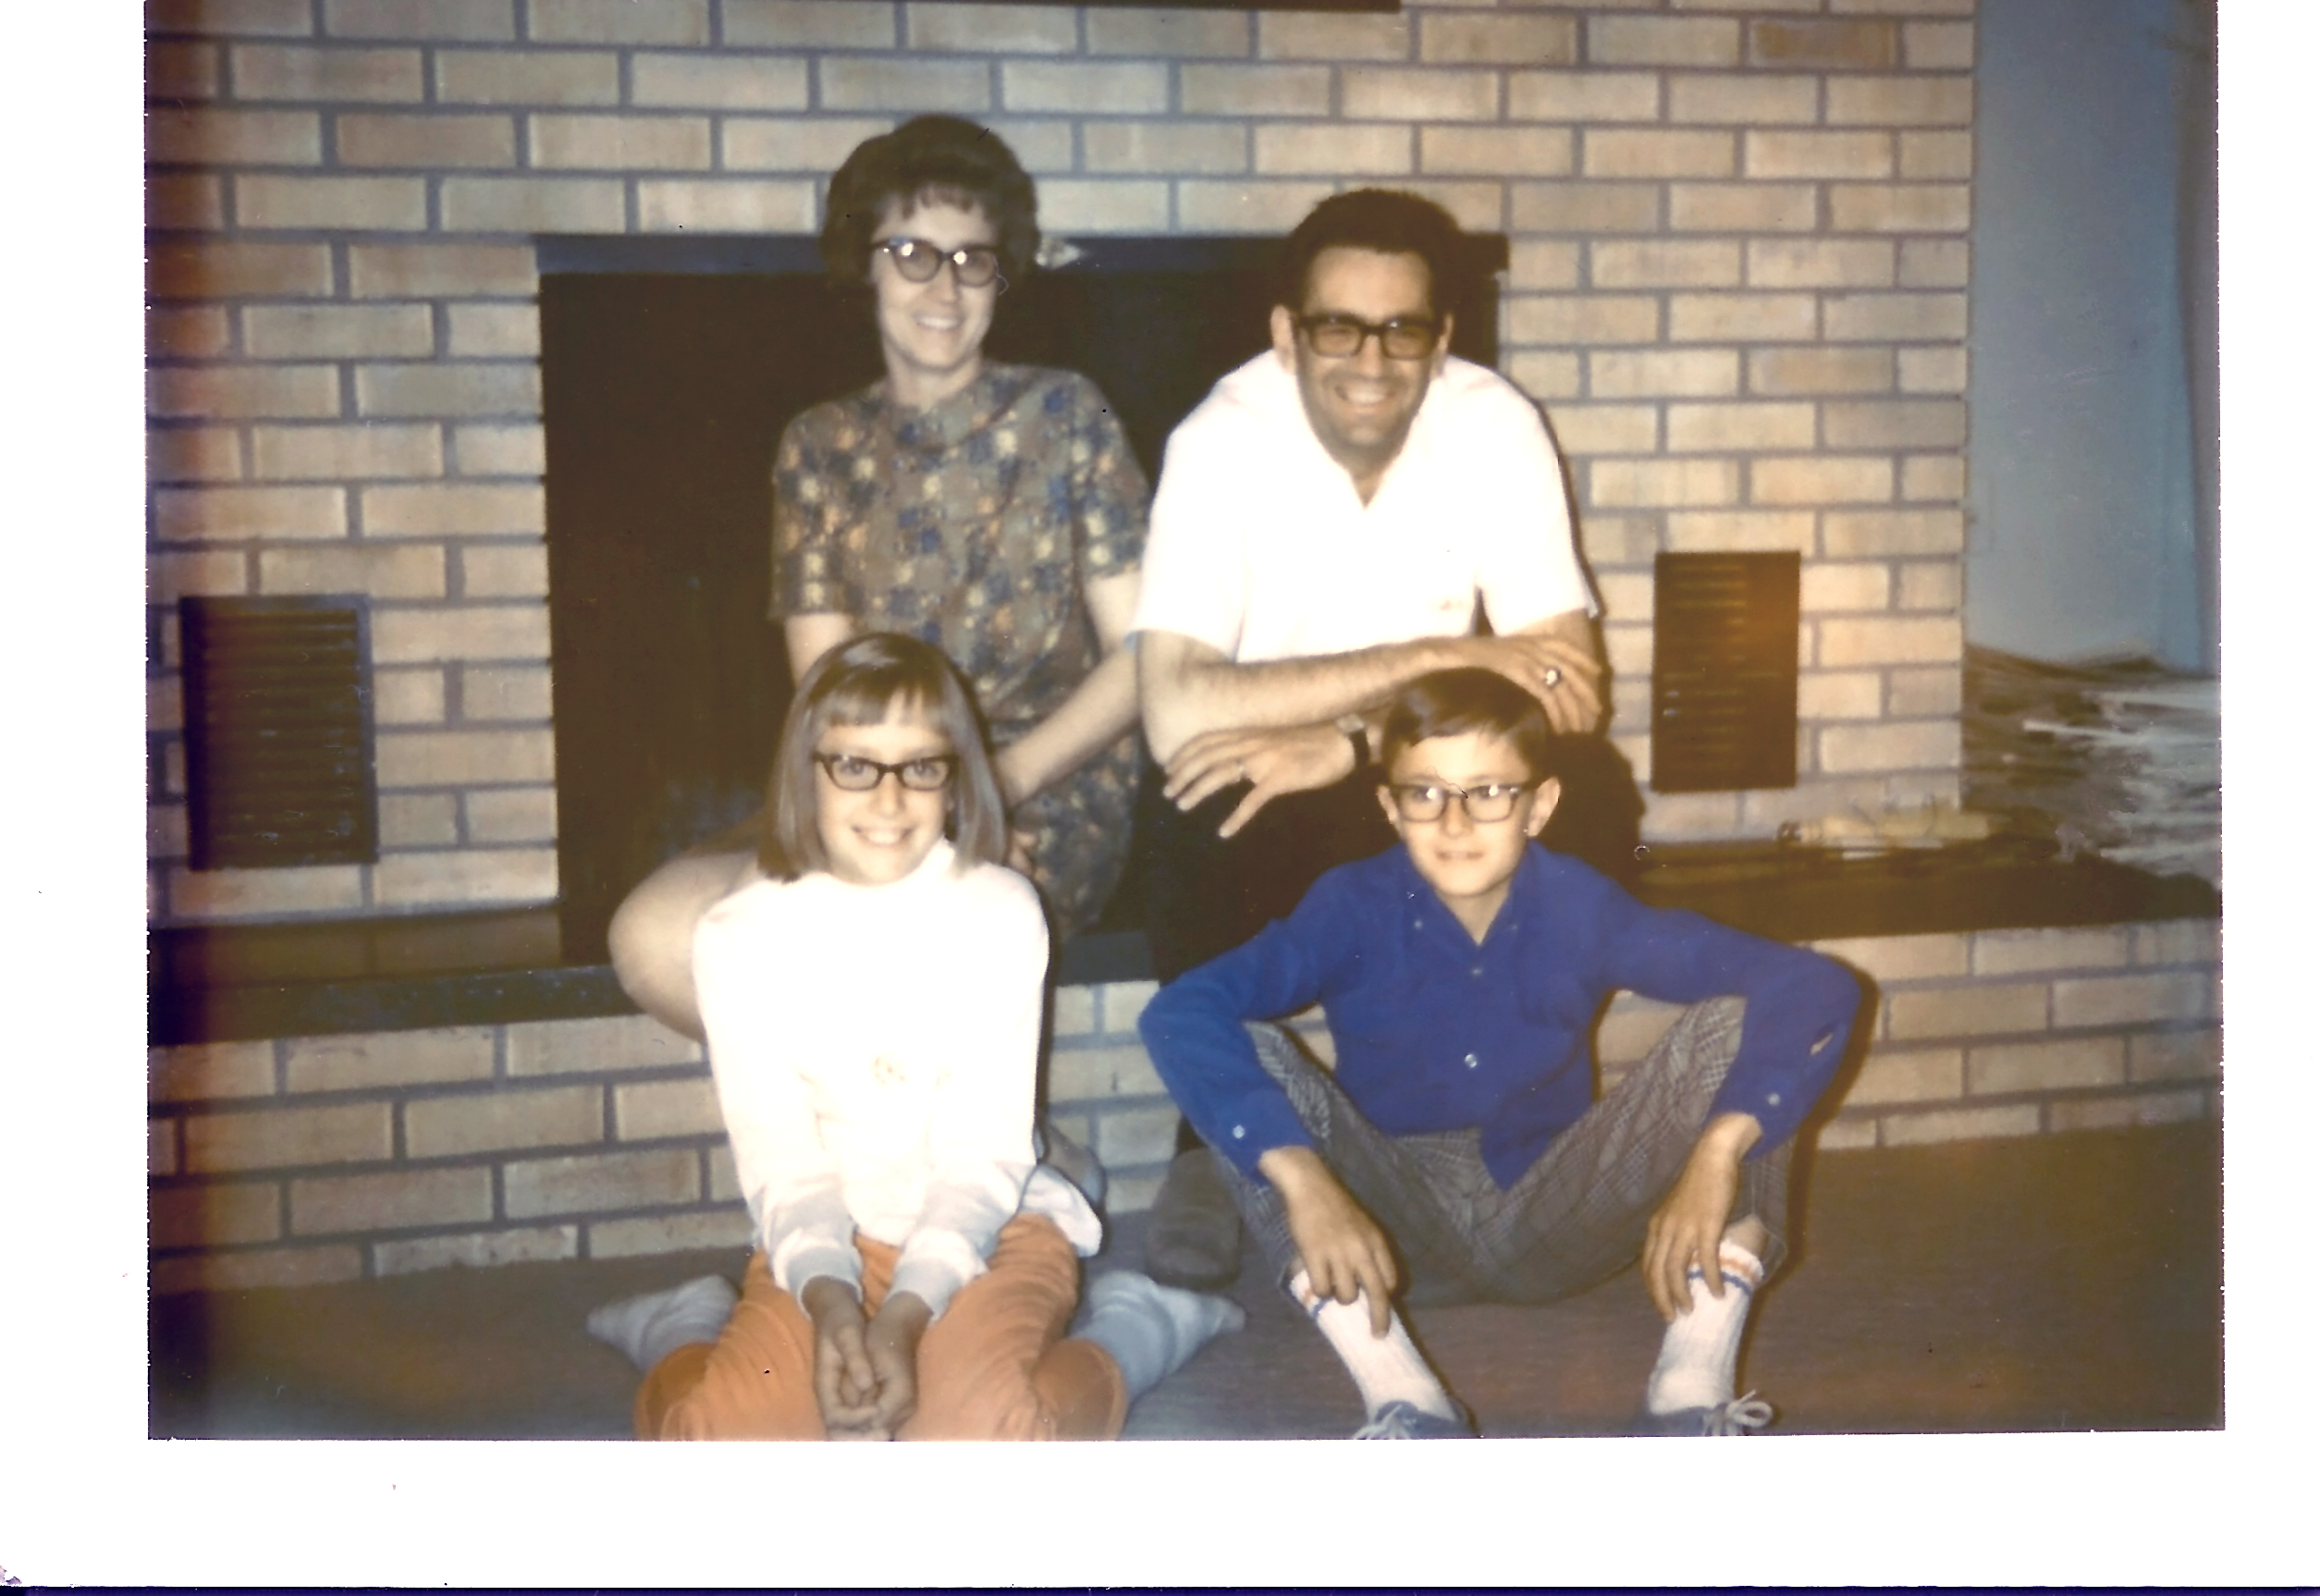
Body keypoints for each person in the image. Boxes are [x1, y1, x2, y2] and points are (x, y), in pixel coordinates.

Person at [1140, 669, 1862, 1437]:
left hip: (1556, 1210)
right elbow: (1181, 1009)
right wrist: (1301, 1175)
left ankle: (1690, 1385)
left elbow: (1813, 984)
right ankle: (1407, 1403)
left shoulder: (1581, 903)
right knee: (1246, 1055)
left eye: (1489, 793)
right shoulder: (1347, 905)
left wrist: (1719, 1149)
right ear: (1389, 807)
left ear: (1538, 806)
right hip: (1395, 1230)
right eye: (1425, 794)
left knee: (1744, 1027)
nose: (1455, 823)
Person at [1131, 187, 1611, 1287]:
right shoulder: (1218, 442)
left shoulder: (1491, 421)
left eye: (1402, 329)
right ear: (1286, 335)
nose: (1370, 359)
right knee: (1199, 792)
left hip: (1405, 761)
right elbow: (1176, 708)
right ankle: (1213, 1138)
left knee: (1592, 793)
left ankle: (1501, 1122)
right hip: (1283, 770)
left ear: (1440, 342)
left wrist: (1348, 742)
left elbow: (1570, 688)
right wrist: (1428, 661)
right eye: (1337, 326)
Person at [586, 634, 1240, 1441]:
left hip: (993, 1231)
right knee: (724, 1439)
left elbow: (981, 1156)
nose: (889, 802)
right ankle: (679, 1330)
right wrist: (831, 1303)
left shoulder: (998, 909)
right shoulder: (737, 935)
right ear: (805, 771)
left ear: (955, 776)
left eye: (921, 767)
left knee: (982, 1440)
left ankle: (1138, 1330)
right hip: (827, 1242)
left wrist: (901, 1317)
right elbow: (783, 1165)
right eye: (855, 766)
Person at [608, 115, 1148, 1055]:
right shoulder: (819, 444)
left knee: (894, 952)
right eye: (912, 252)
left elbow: (1145, 656)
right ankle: (965, 1147)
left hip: (1043, 790)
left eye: (973, 259)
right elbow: (831, 691)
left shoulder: (1066, 411)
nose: (945, 286)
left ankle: (973, 1161)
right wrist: (905, 802)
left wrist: (990, 793)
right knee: (653, 938)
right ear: (864, 264)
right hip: (874, 789)